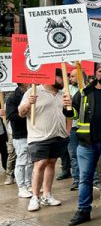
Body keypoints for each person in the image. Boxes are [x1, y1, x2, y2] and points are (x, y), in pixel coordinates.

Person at [66, 62, 101, 226]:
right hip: (86, 144)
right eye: (100, 71)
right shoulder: (84, 93)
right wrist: (67, 107)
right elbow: (74, 114)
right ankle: (84, 211)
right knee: (85, 179)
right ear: (95, 74)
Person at [18, 70, 72, 211]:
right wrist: (28, 104)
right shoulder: (33, 91)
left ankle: (47, 195)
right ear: (51, 77)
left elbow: (70, 115)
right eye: (61, 77)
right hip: (38, 136)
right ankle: (35, 197)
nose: (64, 81)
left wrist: (67, 131)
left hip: (59, 136)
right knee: (40, 164)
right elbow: (21, 113)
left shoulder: (63, 94)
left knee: (51, 164)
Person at [6, 83, 32, 199]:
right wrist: (25, 113)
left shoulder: (32, 93)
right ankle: (21, 187)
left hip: (32, 133)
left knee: (30, 161)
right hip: (20, 134)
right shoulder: (12, 97)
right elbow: (11, 116)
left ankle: (29, 184)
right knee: (21, 161)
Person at [66, 69, 82, 191]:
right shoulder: (67, 90)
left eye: (72, 76)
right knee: (73, 155)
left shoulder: (88, 89)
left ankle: (95, 180)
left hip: (85, 128)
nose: (70, 79)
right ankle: (77, 180)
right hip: (72, 127)